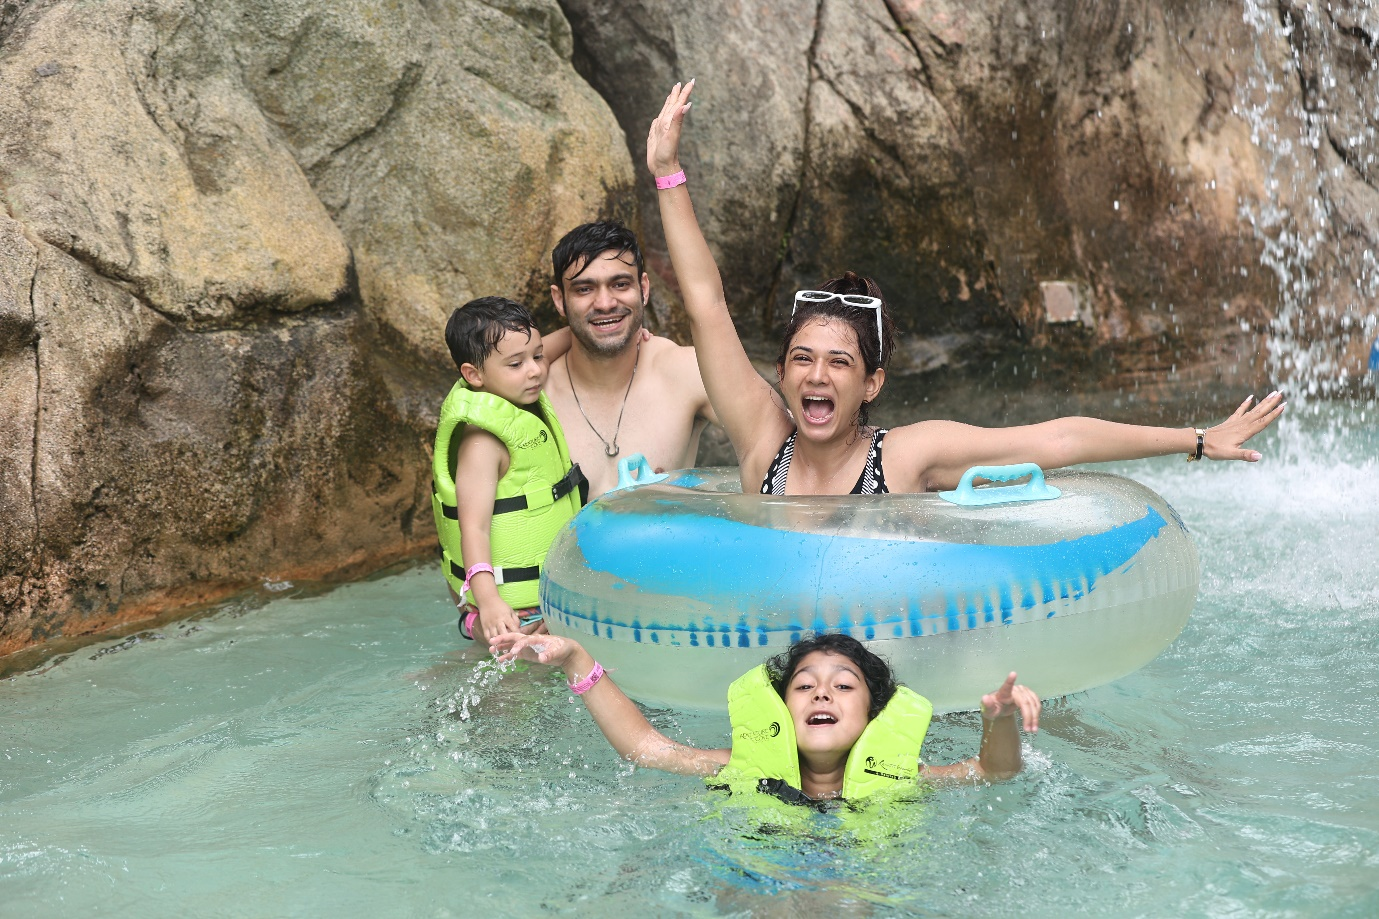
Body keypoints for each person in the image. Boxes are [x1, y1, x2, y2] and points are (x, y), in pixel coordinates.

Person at [646, 81, 1287, 496]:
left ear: (872, 384)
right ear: (782, 373)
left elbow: (1056, 439)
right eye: (802, 359)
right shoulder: (763, 443)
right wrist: (668, 172)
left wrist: (1195, 440)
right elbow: (706, 306)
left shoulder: (905, 458)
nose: (816, 375)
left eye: (839, 362)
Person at [490, 630, 1041, 803]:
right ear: (779, 708)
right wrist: (576, 660)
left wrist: (998, 722)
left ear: (875, 713)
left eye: (843, 686)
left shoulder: (905, 776)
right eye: (804, 686)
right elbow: (644, 747)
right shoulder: (740, 766)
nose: (821, 694)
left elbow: (994, 772)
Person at [432, 296, 587, 642]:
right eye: (516, 364)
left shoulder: (513, 392)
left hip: (542, 598)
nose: (535, 370)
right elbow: (474, 529)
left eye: (538, 356)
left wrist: (597, 331)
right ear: (474, 375)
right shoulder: (483, 443)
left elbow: (552, 344)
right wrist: (488, 602)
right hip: (514, 612)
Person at [544, 221, 720, 497]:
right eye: (584, 289)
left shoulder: (685, 372)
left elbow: (773, 435)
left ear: (644, 288)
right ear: (559, 300)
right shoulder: (536, 393)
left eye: (620, 284)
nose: (605, 303)